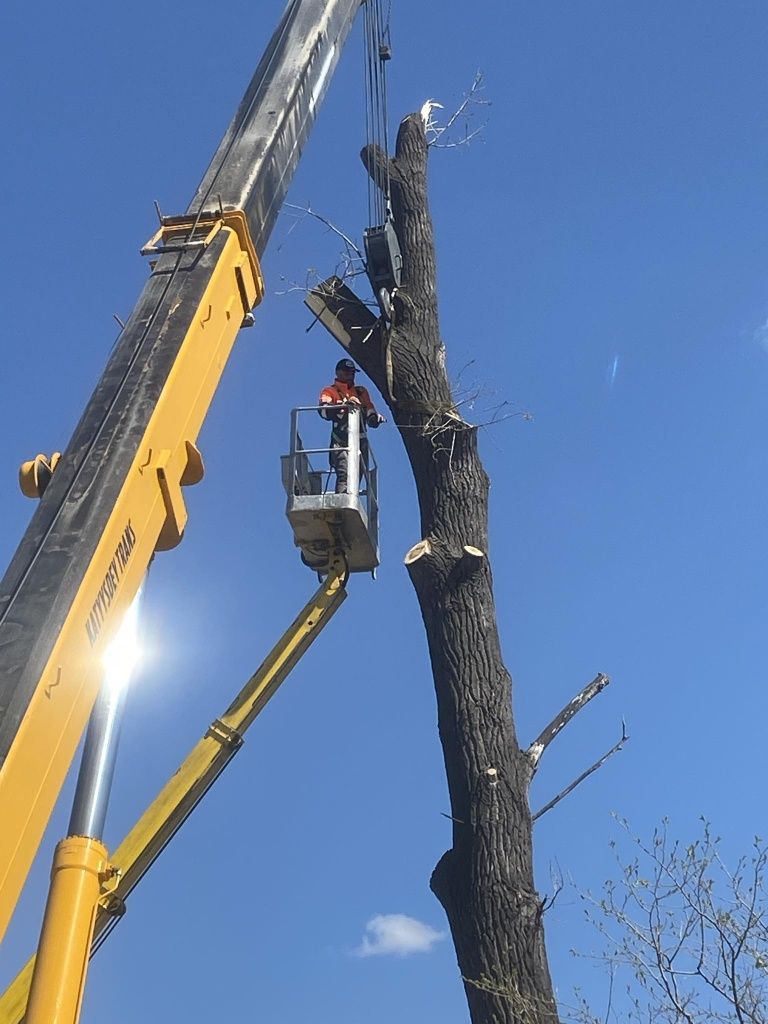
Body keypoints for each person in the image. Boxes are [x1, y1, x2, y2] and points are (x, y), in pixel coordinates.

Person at [319, 358, 385, 494]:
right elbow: (323, 411)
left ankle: (350, 498)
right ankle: (341, 502)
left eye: (353, 372)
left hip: (360, 443)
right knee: (344, 473)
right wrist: (343, 406)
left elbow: (370, 412)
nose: (351, 374)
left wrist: (375, 418)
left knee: (356, 477)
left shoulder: (361, 392)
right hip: (340, 441)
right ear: (338, 372)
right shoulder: (330, 391)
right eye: (347, 371)